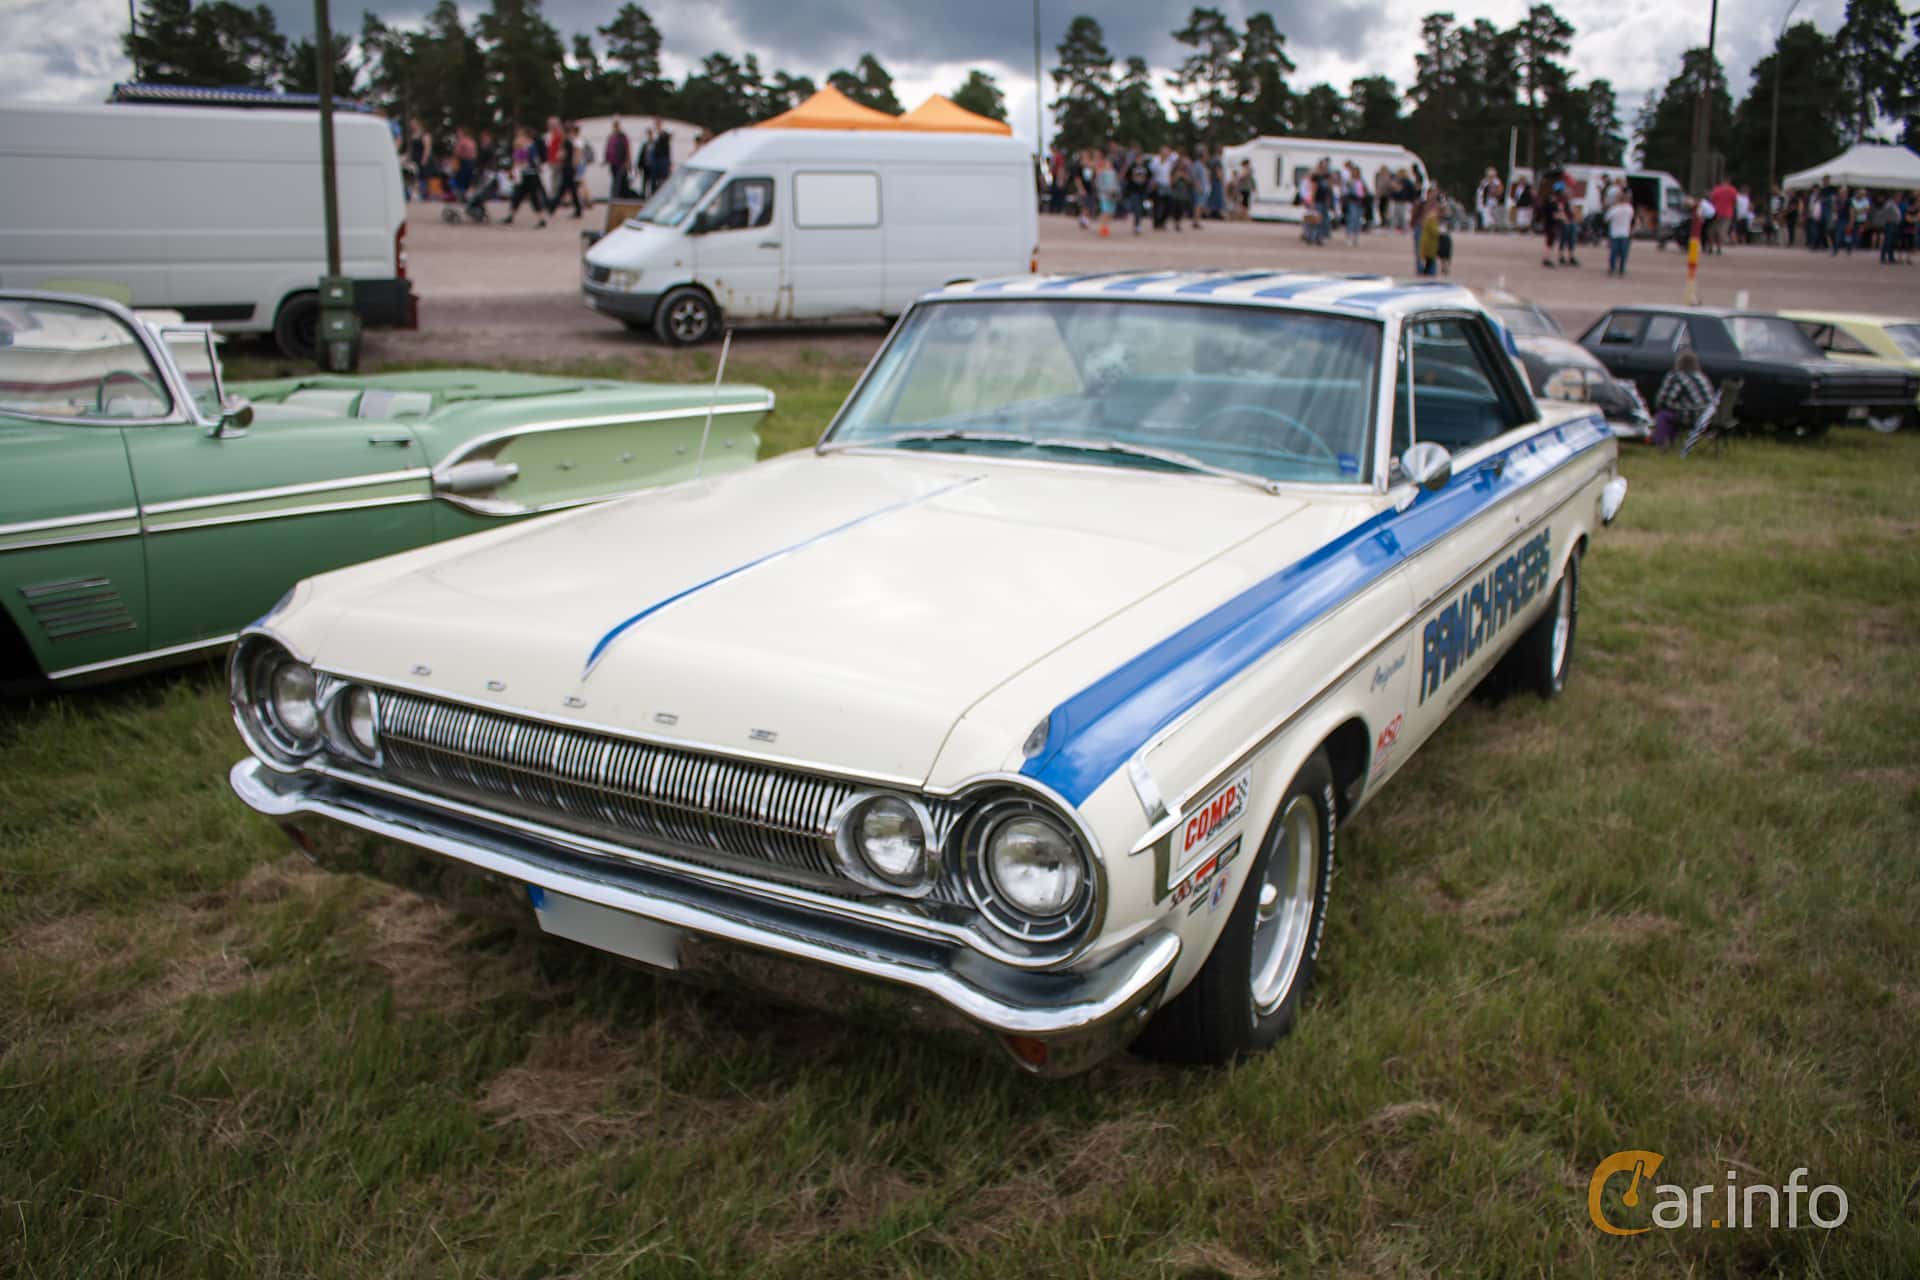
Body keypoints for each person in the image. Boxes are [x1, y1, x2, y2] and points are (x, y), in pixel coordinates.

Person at [1652, 349, 1713, 449]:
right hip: (1707, 417)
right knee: (1675, 412)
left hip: (1692, 415)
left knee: (1663, 414)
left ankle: (1661, 443)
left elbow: (1663, 400)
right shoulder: (1701, 377)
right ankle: (1670, 441)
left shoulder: (1677, 377)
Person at [502, 127, 548, 228]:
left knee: (532, 197)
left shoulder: (530, 147)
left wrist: (523, 166)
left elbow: (533, 161)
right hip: (524, 175)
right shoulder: (522, 147)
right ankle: (510, 216)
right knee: (518, 196)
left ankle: (541, 219)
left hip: (531, 175)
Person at [1604, 189, 1635, 276]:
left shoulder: (1615, 209)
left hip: (1616, 233)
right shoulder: (1629, 208)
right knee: (1622, 253)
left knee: (1614, 252)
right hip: (1623, 233)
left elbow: (1606, 219)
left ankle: (1613, 268)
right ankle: (1620, 268)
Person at [605, 119, 632, 199]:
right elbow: (608, 149)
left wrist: (628, 161)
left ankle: (615, 196)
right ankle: (618, 196)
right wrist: (606, 159)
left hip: (621, 163)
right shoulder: (611, 137)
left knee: (618, 181)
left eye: (616, 126)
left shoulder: (622, 137)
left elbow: (627, 149)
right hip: (613, 163)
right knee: (616, 179)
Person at [648, 119, 673, 194]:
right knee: (654, 180)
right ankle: (653, 193)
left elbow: (667, 142)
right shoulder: (654, 135)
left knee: (663, 179)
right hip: (656, 160)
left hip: (663, 160)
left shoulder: (664, 134)